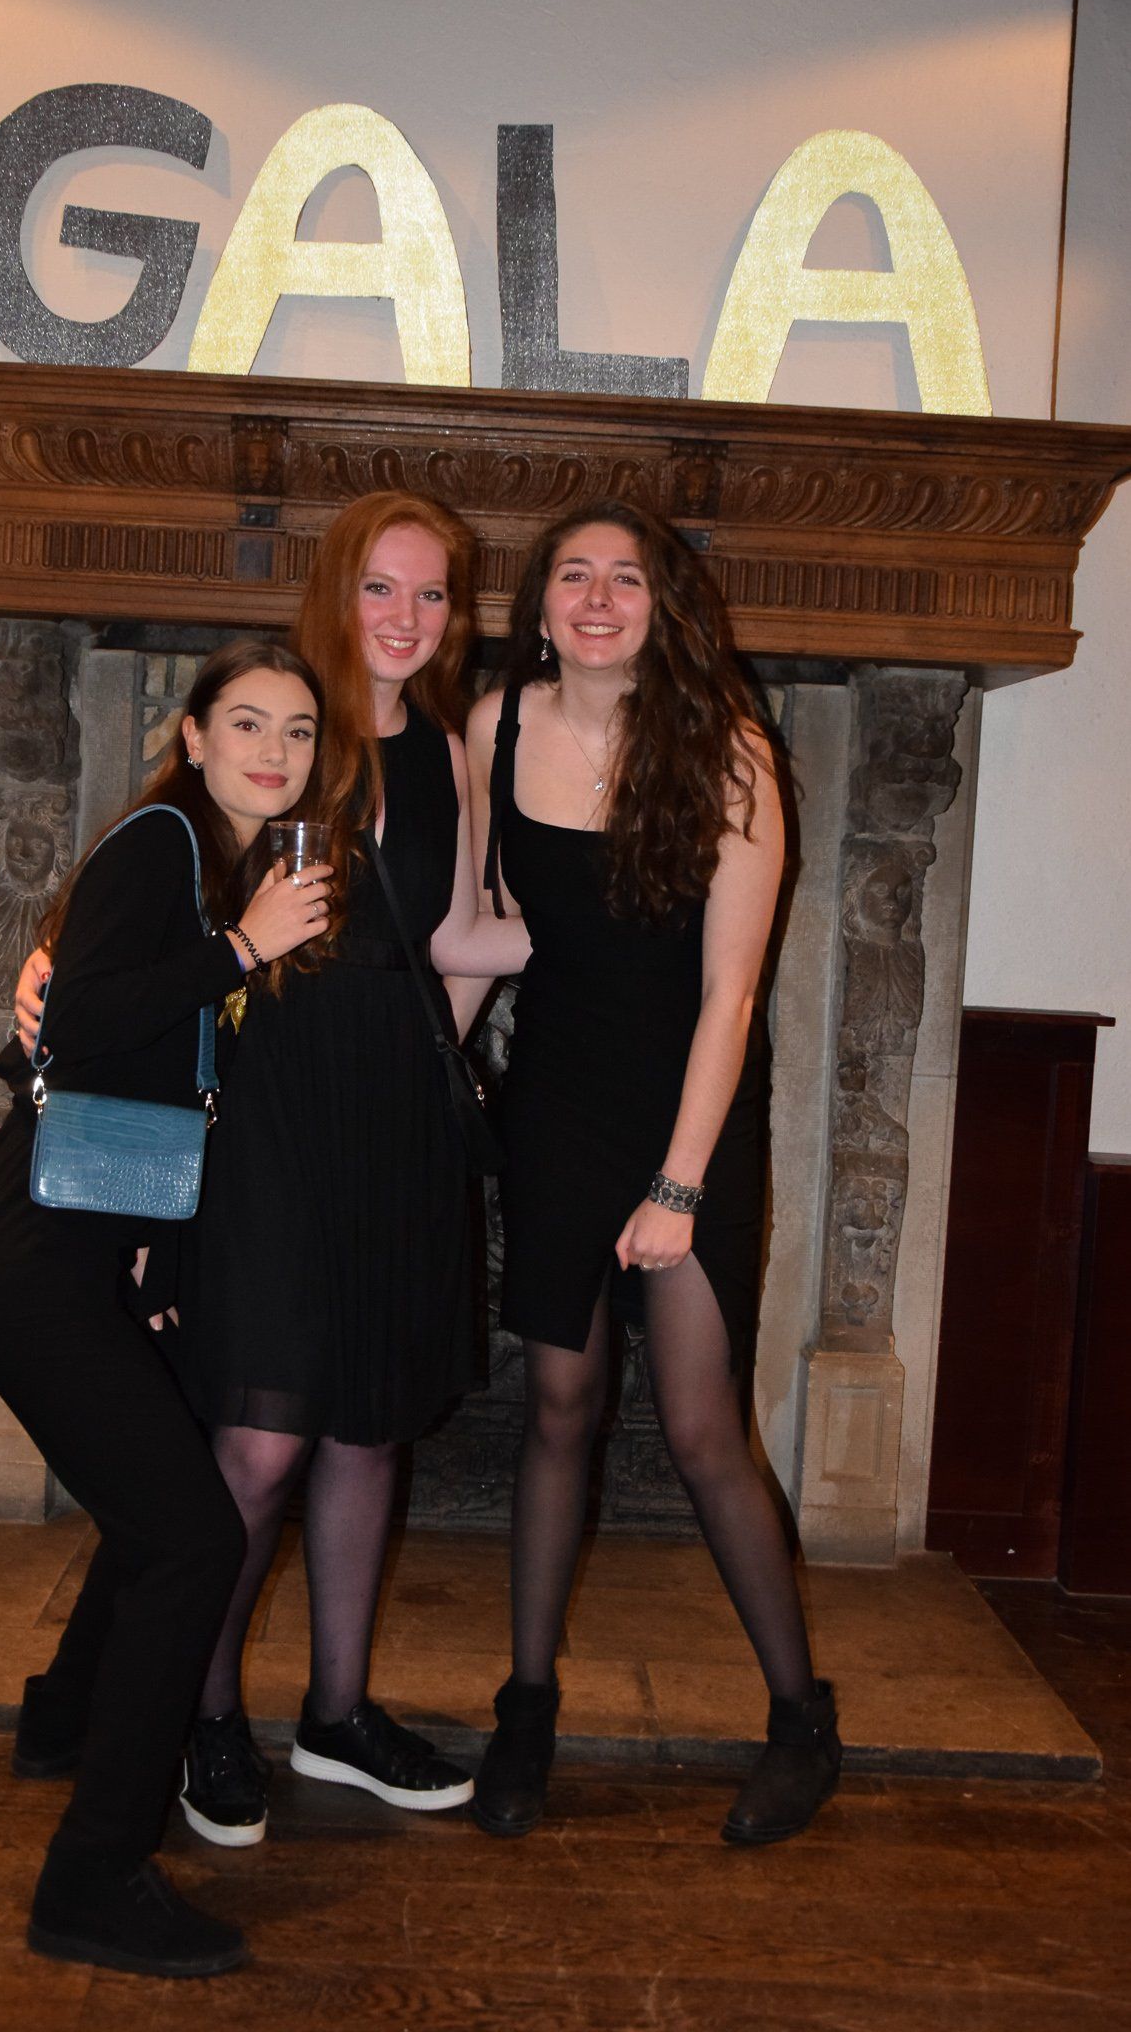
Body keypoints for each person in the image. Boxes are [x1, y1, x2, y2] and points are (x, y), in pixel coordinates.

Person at [15, 493, 529, 1848]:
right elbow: (166, 860)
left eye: (432, 593)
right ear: (336, 591)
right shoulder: (284, 721)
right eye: (381, 587)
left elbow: (451, 939)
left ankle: (339, 1716)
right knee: (256, 1439)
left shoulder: (452, 747)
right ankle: (203, 1720)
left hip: (395, 1118)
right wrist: (49, 951)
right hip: (264, 1110)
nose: (406, 618)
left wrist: (585, 945)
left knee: (369, 1425)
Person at [0, 639, 333, 1978]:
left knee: (159, 1504)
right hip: (21, 1257)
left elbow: (84, 1055)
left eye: (299, 731)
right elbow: (83, 1023)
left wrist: (147, 1263)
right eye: (248, 723)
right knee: (193, 1540)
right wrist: (243, 949)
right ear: (194, 735)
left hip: (71, 1252)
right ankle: (91, 1884)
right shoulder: (164, 846)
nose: (275, 751)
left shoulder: (206, 867)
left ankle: (62, 1719)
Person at [463, 499, 841, 1846]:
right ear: (540, 604)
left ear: (663, 604)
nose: (596, 597)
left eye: (625, 577)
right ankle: (525, 1711)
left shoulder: (729, 751)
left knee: (696, 1428)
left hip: (695, 1114)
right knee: (557, 1410)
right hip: (556, 1103)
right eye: (572, 574)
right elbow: (483, 924)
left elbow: (732, 993)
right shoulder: (493, 729)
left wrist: (677, 1187)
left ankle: (800, 1720)